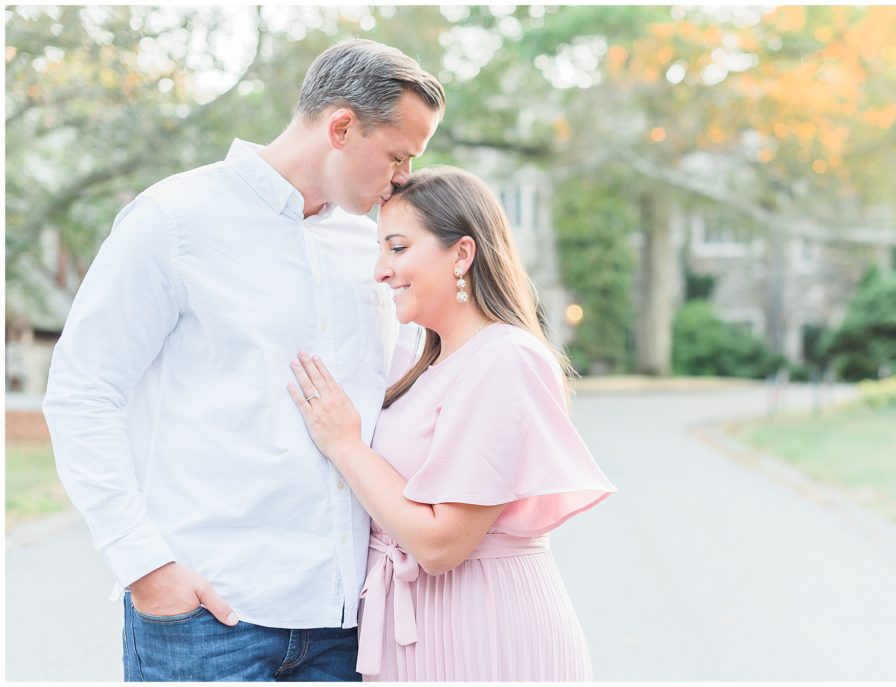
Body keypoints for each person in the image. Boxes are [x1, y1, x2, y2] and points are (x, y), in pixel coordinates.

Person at [42, 39, 444, 682]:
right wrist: (144, 567)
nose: (402, 178)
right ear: (341, 127)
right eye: (398, 155)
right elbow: (82, 392)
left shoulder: (372, 246)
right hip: (208, 618)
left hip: (347, 622)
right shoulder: (173, 220)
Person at [288, 166, 617, 681]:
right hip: (416, 631)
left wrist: (346, 444)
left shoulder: (506, 359)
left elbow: (442, 545)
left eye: (397, 248)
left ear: (461, 254)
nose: (380, 270)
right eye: (380, 249)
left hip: (487, 633)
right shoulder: (427, 366)